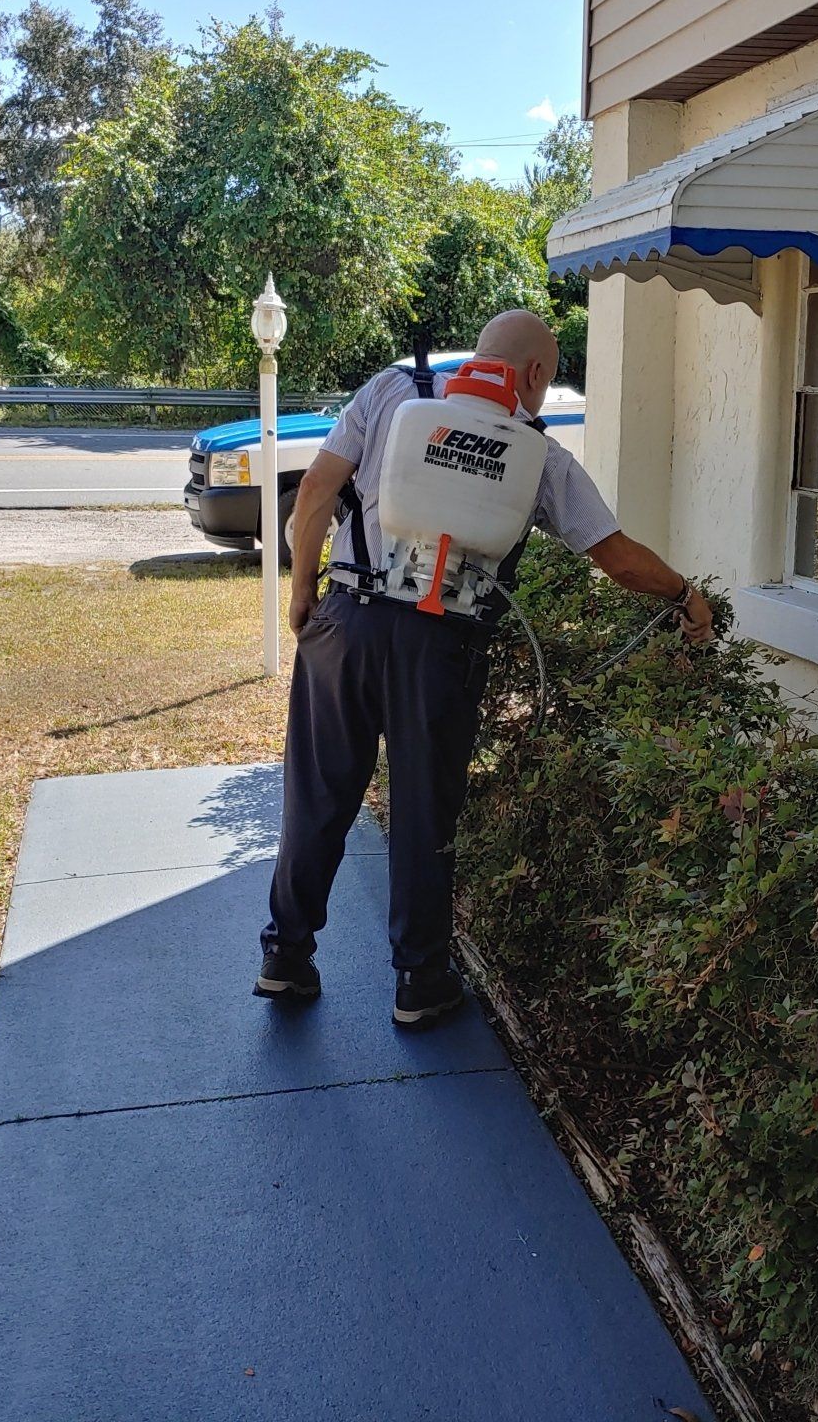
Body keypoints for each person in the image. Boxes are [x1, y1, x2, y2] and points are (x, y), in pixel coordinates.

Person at [255, 309, 714, 1025]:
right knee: (424, 809)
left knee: (318, 795)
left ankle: (286, 956)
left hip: (343, 624)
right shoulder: (539, 454)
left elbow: (313, 493)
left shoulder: (391, 390)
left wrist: (305, 593)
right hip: (441, 645)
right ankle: (419, 982)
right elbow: (617, 557)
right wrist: (686, 594)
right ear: (533, 374)